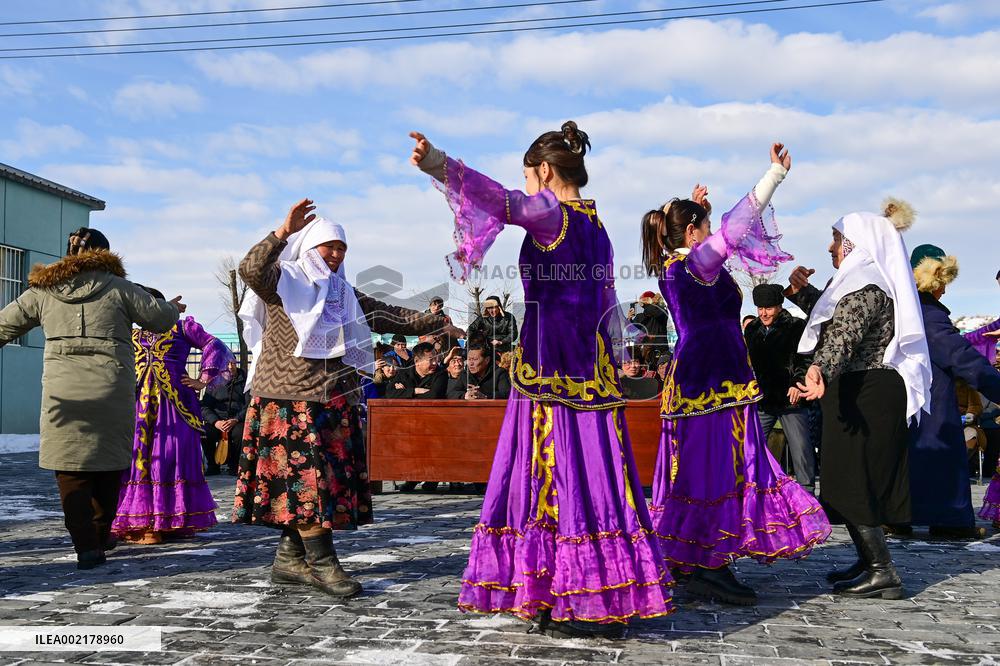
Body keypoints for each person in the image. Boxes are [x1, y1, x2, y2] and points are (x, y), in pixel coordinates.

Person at [411, 121, 671, 637]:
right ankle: (604, 587)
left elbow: (500, 200)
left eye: (529, 176)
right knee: (598, 480)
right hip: (592, 370)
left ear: (546, 171)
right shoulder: (596, 225)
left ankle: (574, 594)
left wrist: (439, 163)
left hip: (551, 369)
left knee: (555, 479)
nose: (527, 186)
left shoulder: (552, 214)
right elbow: (606, 303)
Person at [235, 202, 462, 598]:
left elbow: (387, 315)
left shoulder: (343, 294)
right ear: (310, 246)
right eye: (330, 246)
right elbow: (250, 269)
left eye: (342, 248)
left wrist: (438, 322)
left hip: (332, 398)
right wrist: (282, 232)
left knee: (322, 484)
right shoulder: (283, 280)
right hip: (290, 399)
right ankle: (323, 564)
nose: (337, 254)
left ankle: (290, 558)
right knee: (307, 484)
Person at [641, 143, 829, 606]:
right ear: (692, 233)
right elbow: (736, 226)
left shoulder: (679, 264)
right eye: (703, 228)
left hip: (707, 379)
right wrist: (774, 175)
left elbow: (711, 238)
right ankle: (708, 563)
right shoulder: (693, 262)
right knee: (713, 472)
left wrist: (695, 211)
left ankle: (693, 558)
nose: (714, 236)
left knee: (704, 470)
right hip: (711, 382)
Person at [0, 228, 181, 569]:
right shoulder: (121, 288)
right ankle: (100, 535)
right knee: (109, 466)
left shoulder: (42, 291)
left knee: (71, 472)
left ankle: (85, 545)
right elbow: (160, 319)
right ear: (106, 253)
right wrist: (171, 307)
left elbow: (4, 325)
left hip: (63, 396)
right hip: (111, 390)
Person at [790, 198, 931, 600]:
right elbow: (837, 319)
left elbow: (843, 336)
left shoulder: (865, 287)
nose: (830, 247)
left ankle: (881, 570)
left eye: (836, 239)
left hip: (866, 392)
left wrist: (820, 369)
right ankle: (868, 560)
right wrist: (801, 293)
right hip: (864, 390)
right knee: (850, 477)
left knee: (852, 478)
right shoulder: (864, 284)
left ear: (855, 243)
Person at [892, 244, 1000, 539]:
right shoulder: (928, 314)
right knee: (941, 456)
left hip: (905, 400)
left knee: (910, 458)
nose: (945, 290)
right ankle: (948, 520)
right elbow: (961, 357)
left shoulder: (904, 308)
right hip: (930, 401)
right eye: (943, 283)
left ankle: (900, 516)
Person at [112, 288, 234, 544]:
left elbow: (214, 344)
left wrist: (204, 379)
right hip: (136, 405)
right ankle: (144, 522)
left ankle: (167, 522)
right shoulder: (130, 332)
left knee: (170, 456)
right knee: (138, 458)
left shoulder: (182, 327)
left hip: (175, 406)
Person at [744, 283, 815, 492]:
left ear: (779, 306)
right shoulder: (752, 329)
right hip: (763, 399)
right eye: (760, 308)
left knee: (801, 450)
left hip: (790, 399)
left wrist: (797, 384)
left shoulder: (796, 326)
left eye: (768, 308)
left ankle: (808, 494)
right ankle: (752, 490)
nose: (763, 313)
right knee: (750, 446)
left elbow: (806, 359)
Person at [200, 359, 249, 476]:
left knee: (240, 432)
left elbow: (248, 405)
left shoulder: (245, 381)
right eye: (226, 364)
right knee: (205, 432)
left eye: (233, 363)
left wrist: (236, 419)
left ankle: (234, 466)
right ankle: (213, 466)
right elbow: (205, 407)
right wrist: (216, 422)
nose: (230, 367)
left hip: (237, 420)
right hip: (217, 421)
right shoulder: (214, 382)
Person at [629, 291, 672, 367]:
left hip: (659, 351)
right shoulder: (641, 316)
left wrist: (652, 303)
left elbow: (651, 311)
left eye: (644, 300)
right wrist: (629, 319)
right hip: (644, 352)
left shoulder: (662, 312)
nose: (641, 302)